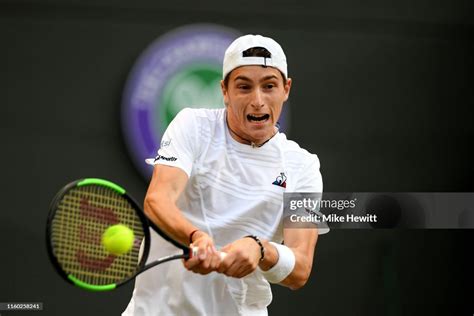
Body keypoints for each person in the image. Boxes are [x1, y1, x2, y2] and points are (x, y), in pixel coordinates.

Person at [123, 34, 327, 316]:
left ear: (286, 89)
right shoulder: (192, 125)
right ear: (225, 91)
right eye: (244, 87)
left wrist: (261, 250)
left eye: (269, 86)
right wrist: (195, 236)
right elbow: (158, 201)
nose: (258, 100)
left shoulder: (302, 166)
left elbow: (301, 267)